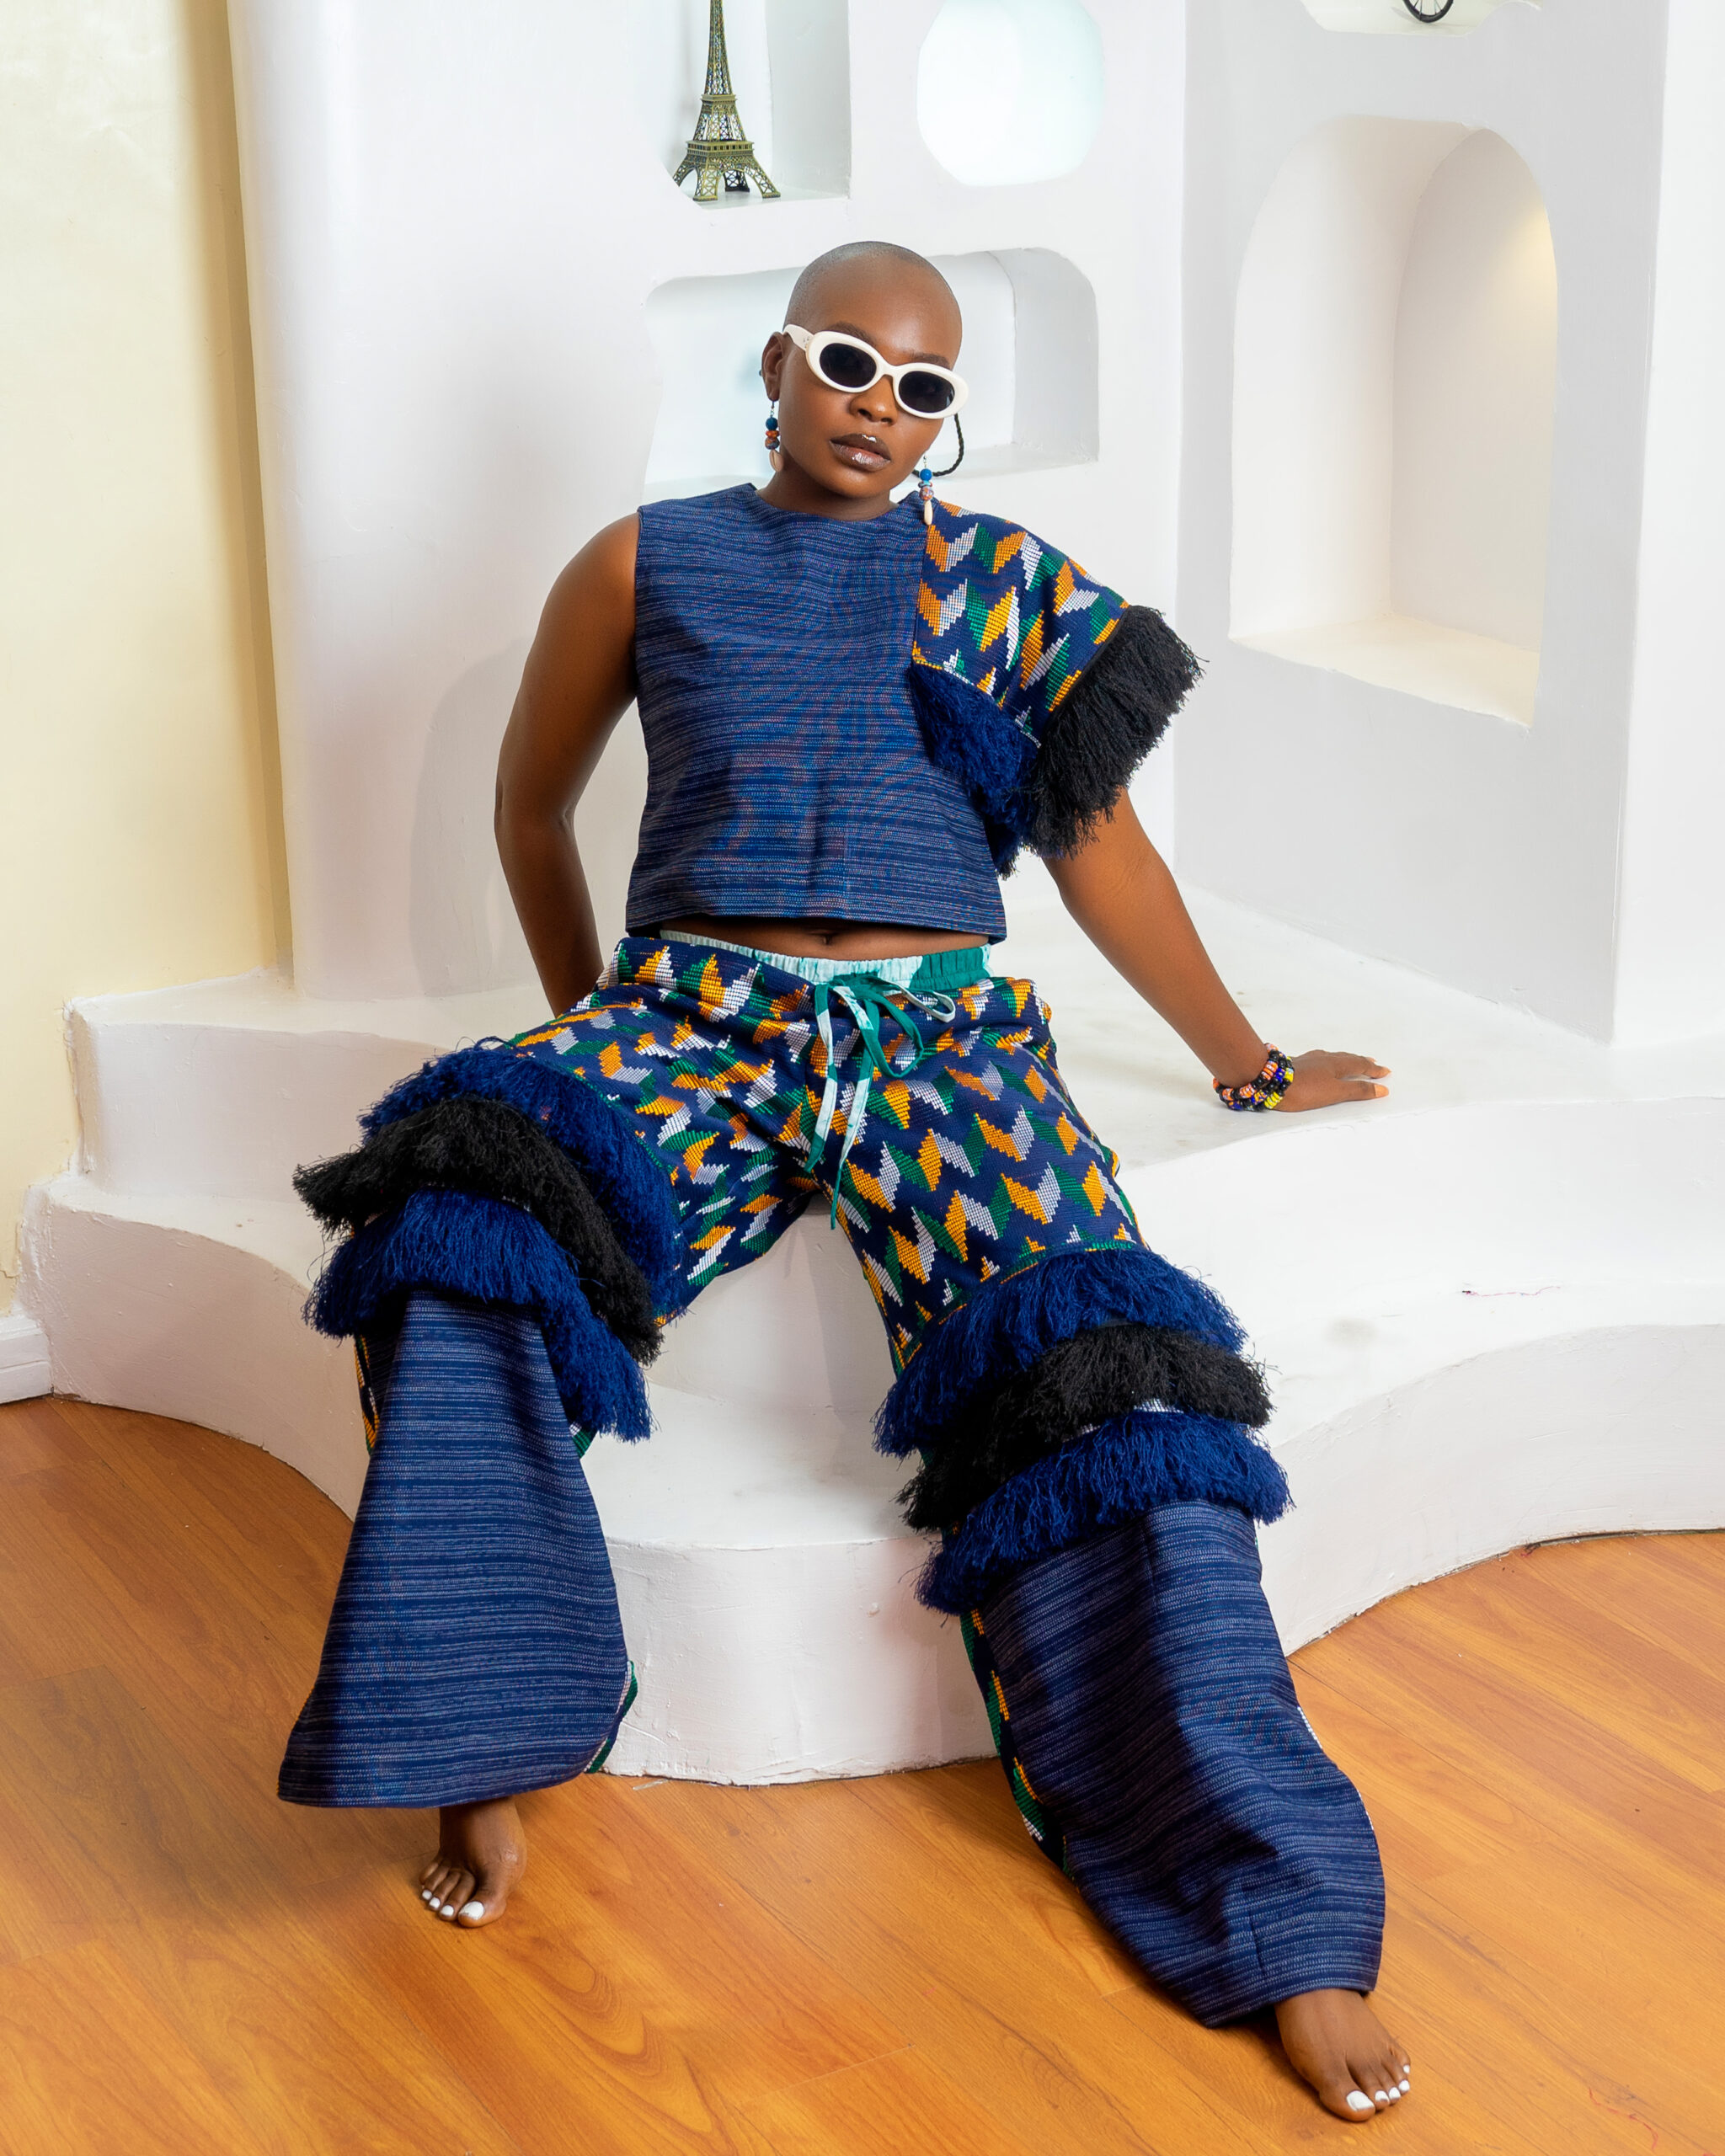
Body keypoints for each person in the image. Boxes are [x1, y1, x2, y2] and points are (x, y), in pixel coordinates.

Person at [281, 242, 1411, 2124]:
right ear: (776, 365)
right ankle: (480, 1742)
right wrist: (589, 1035)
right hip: (691, 1018)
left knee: (1115, 1387)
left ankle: (1274, 1911)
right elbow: (529, 806)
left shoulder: (995, 583)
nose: (882, 407)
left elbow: (1101, 852)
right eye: (848, 363)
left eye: (924, 387)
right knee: (456, 1234)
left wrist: (1247, 1055)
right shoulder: (640, 561)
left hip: (944, 1040)